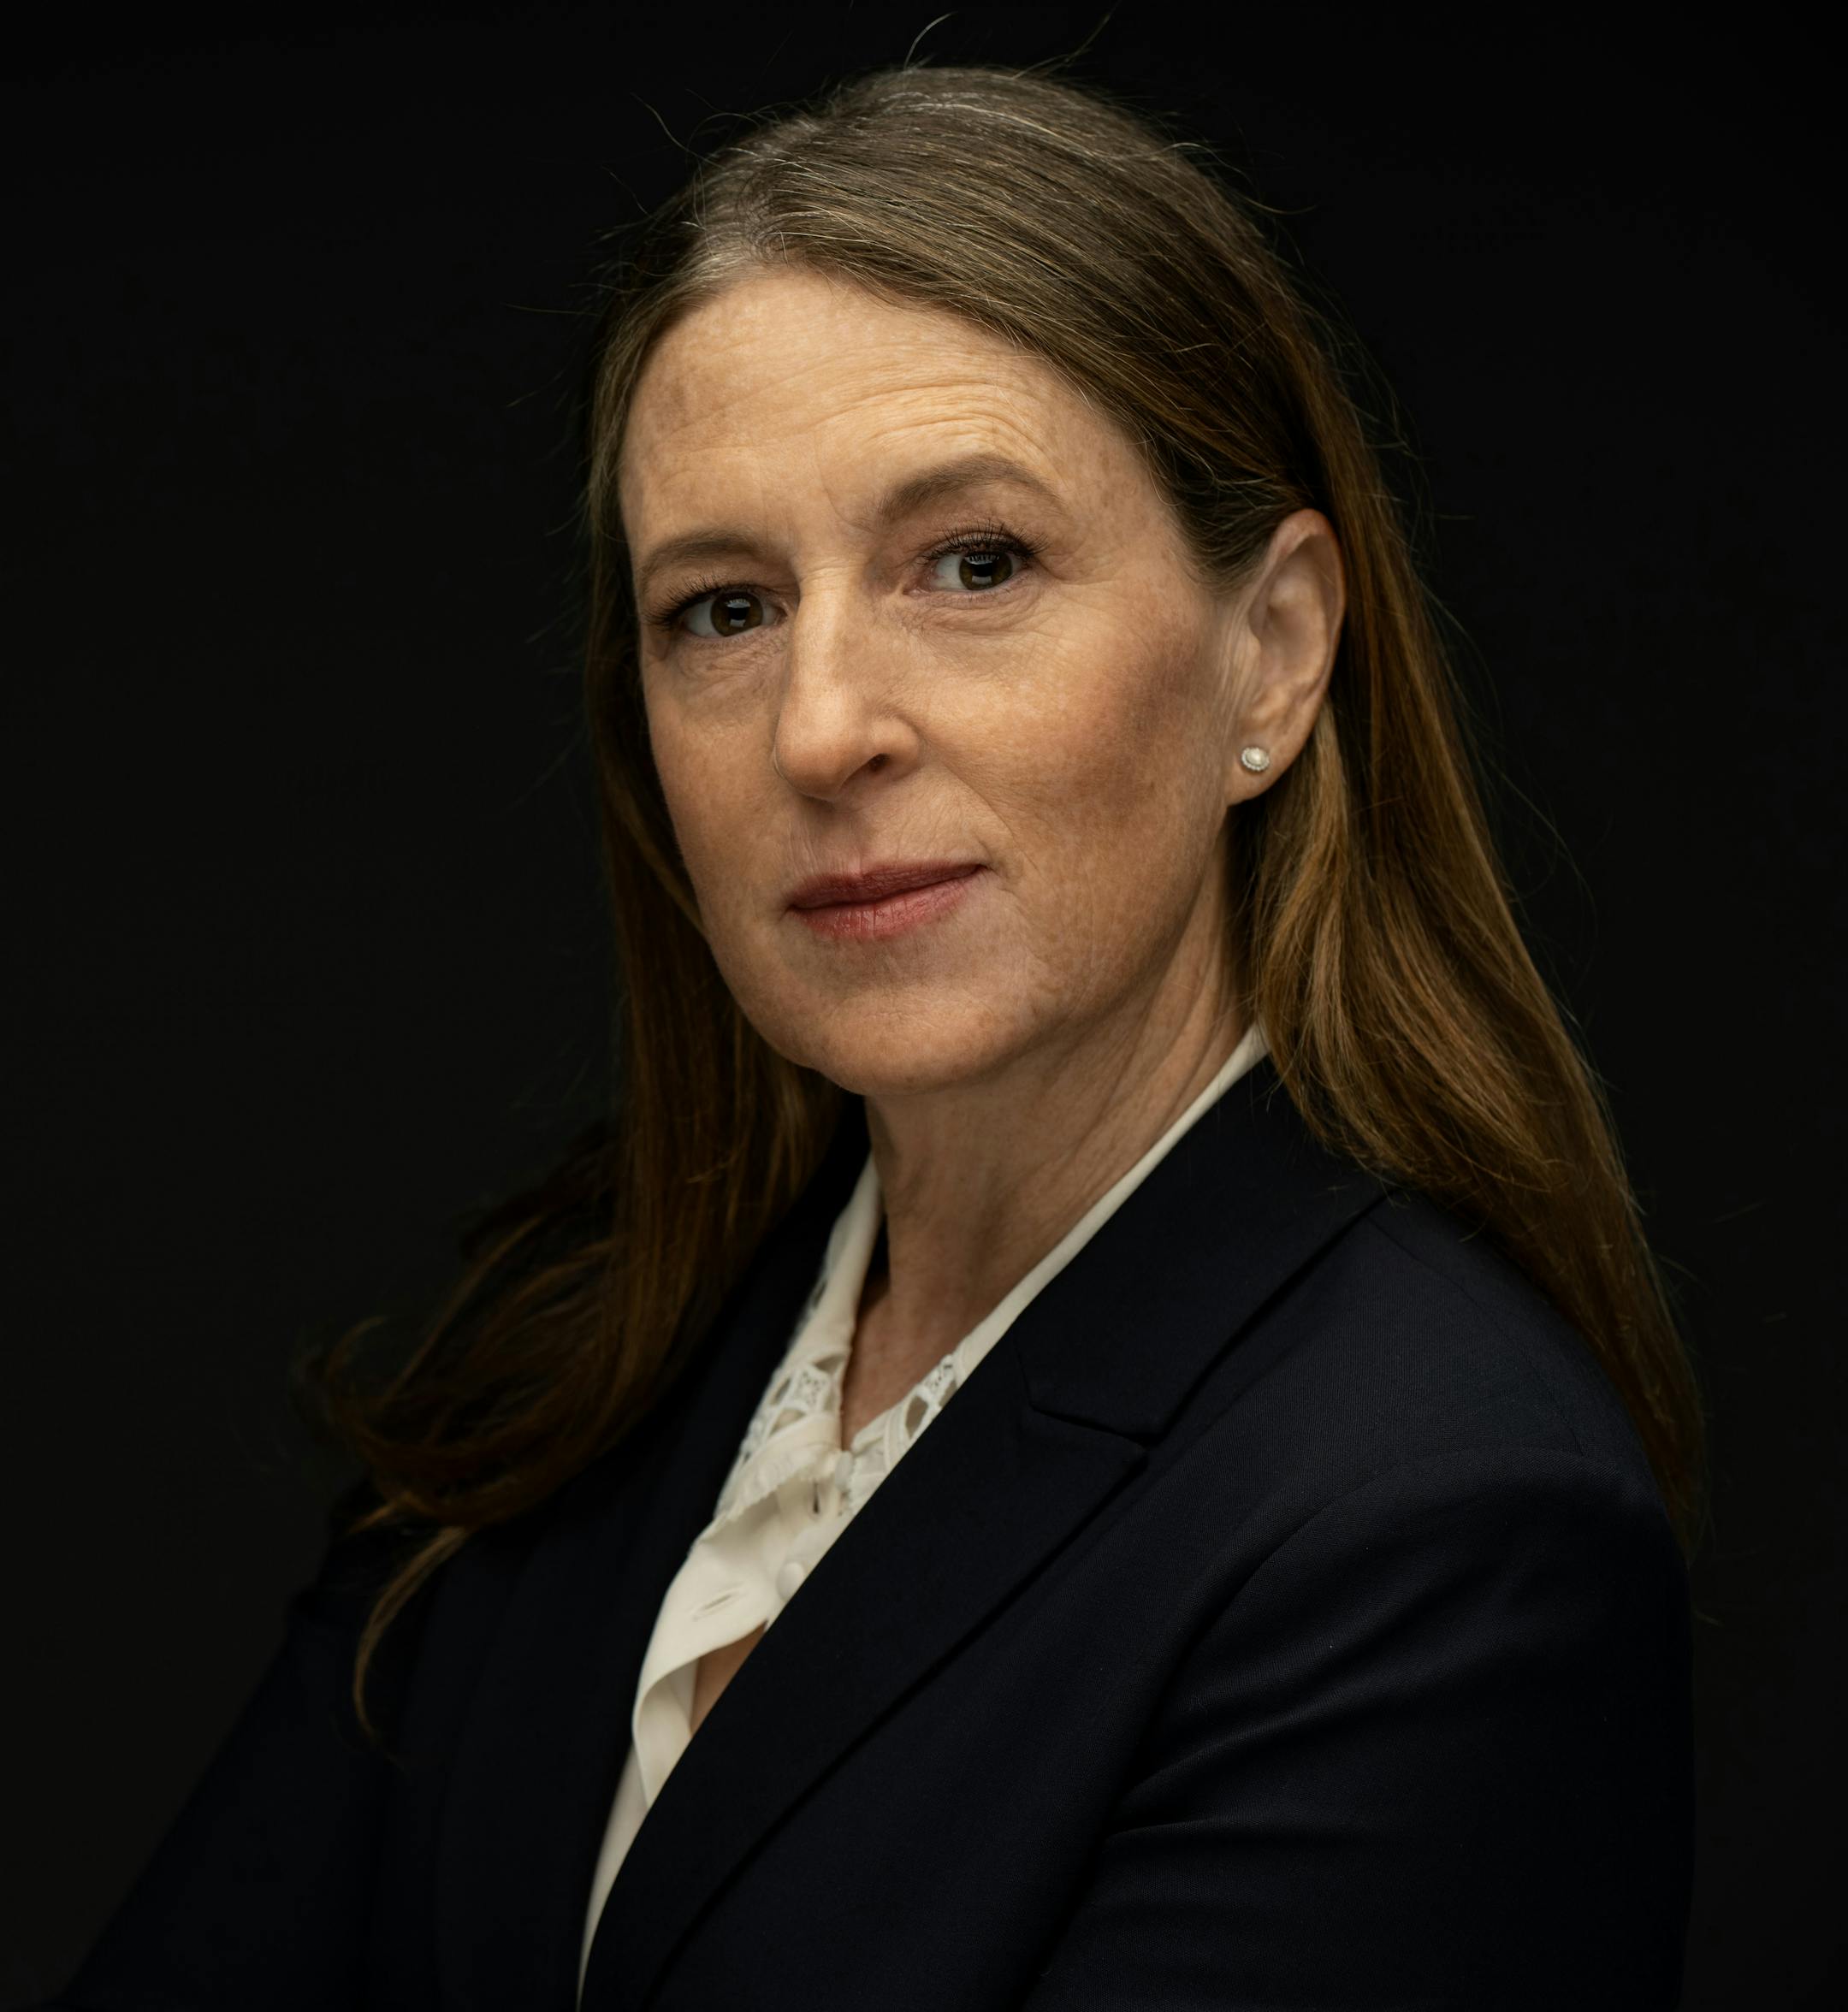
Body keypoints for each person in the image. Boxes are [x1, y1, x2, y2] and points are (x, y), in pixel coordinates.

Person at [50, 57, 1704, 2012]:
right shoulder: (586, 1359)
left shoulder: (1437, 1517)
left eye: (974, 564)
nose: (821, 726)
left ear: (1270, 653)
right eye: (723, 608)